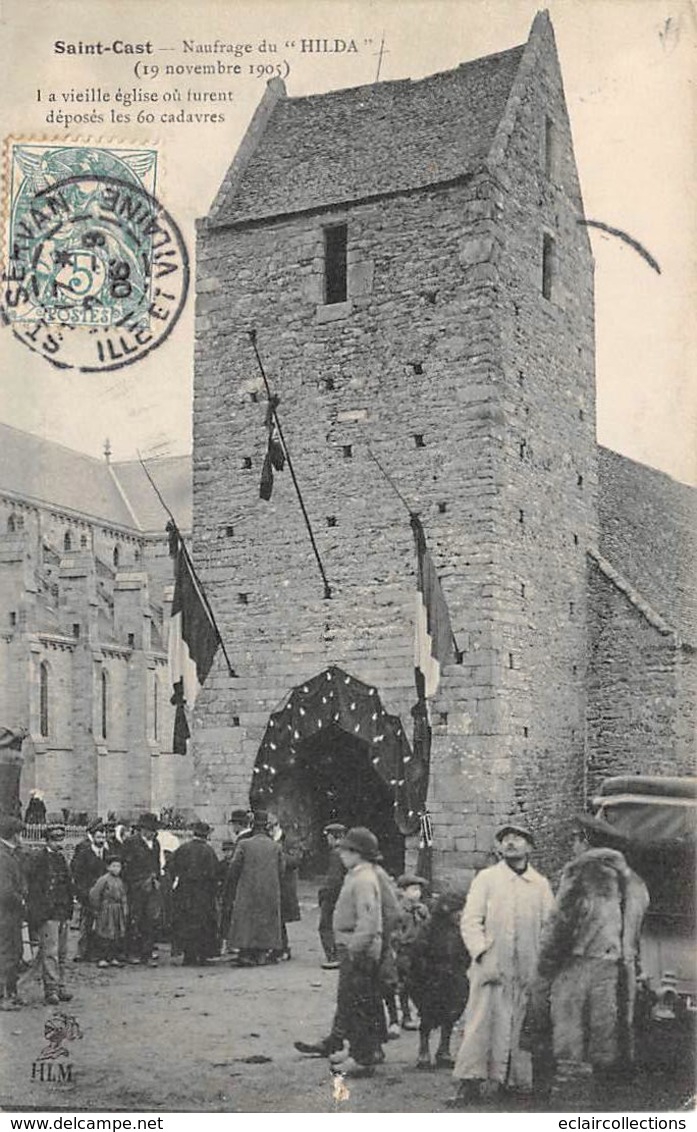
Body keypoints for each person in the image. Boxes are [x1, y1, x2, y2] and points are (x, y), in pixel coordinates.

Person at [535, 815, 650, 1099]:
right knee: (610, 1035)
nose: (571, 845)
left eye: (574, 838)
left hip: (579, 967)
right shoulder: (634, 880)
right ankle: (606, 1099)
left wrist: (545, 966)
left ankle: (567, 1102)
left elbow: (560, 924)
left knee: (568, 1037)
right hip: (619, 968)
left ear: (585, 841)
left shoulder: (581, 874)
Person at [448, 822, 554, 1107]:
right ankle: (469, 1083)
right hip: (491, 966)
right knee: (481, 1023)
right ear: (498, 847)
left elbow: (549, 926)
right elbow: (471, 920)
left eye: (518, 839)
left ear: (529, 847)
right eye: (505, 839)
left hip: (526, 969)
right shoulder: (487, 879)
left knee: (520, 1024)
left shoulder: (540, 885)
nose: (511, 843)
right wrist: (481, 952)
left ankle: (512, 1081)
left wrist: (542, 964)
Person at [408, 888, 470, 1069]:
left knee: (451, 1014)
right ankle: (424, 1050)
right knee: (428, 1015)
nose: (460, 915)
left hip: (454, 976)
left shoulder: (461, 930)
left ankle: (444, 1049)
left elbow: (467, 952)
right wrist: (425, 972)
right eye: (457, 911)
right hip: (432, 978)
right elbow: (418, 952)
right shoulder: (430, 927)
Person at [222, 809, 283, 966]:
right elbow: (281, 869)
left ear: (253, 827)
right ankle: (262, 953)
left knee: (246, 920)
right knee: (265, 919)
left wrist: (230, 886)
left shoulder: (244, 844)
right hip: (269, 889)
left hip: (247, 889)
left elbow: (234, 868)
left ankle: (246, 953)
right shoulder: (275, 846)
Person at [26, 822, 75, 1006]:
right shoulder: (39, 859)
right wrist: (40, 912)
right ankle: (51, 990)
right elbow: (34, 888)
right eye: (55, 839)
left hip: (63, 911)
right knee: (50, 952)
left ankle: (61, 986)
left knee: (62, 952)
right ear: (47, 840)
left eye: (61, 839)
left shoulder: (62, 859)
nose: (58, 842)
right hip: (49, 913)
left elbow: (68, 885)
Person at [169, 821, 220, 965]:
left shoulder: (183, 849)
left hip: (185, 892)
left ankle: (188, 955)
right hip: (203, 893)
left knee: (186, 922)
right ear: (206, 835)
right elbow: (214, 873)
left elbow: (171, 867)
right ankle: (202, 955)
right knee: (203, 923)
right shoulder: (208, 851)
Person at [120, 812, 162, 966]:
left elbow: (156, 863)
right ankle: (132, 952)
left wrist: (156, 878)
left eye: (154, 830)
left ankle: (147, 952)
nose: (152, 833)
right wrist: (133, 882)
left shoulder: (156, 844)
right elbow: (125, 865)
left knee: (150, 920)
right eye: (150, 830)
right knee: (134, 919)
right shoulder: (131, 843)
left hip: (151, 887)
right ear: (143, 829)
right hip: (135, 887)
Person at [392, 874, 431, 1031]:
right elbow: (394, 933)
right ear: (402, 891)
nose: (417, 893)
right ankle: (406, 1015)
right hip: (404, 951)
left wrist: (425, 916)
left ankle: (422, 1013)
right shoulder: (398, 910)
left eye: (419, 890)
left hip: (420, 951)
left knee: (421, 981)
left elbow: (429, 927)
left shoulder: (422, 909)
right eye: (413, 890)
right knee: (404, 984)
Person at [70, 819, 107, 962]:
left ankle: (96, 952)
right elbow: (78, 873)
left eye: (103, 837)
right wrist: (83, 892)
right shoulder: (85, 853)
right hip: (87, 893)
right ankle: (81, 952)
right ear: (93, 837)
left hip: (102, 894)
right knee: (86, 923)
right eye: (98, 837)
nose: (101, 840)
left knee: (100, 924)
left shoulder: (107, 853)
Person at [0, 815, 27, 1010]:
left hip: (11, 914)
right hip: (5, 914)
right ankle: (3, 997)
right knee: (6, 953)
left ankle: (12, 991)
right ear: (14, 835)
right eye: (20, 833)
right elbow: (5, 891)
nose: (22, 838)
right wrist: (23, 901)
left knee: (15, 951)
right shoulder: (3, 857)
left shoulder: (11, 854)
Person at [269, 814, 301, 961]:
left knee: (280, 917)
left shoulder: (290, 840)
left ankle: (282, 948)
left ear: (277, 826)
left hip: (285, 885)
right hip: (271, 883)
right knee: (273, 917)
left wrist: (277, 854)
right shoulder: (269, 841)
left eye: (271, 827)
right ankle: (276, 947)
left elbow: (295, 860)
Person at [89, 855, 128, 967]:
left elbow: (124, 896)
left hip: (117, 909)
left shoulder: (120, 881)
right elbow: (94, 894)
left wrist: (125, 909)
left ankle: (113, 957)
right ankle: (102, 957)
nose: (116, 869)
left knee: (116, 933)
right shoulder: (103, 879)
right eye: (114, 866)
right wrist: (97, 909)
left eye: (118, 866)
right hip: (106, 909)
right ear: (108, 867)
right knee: (104, 933)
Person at [317, 822, 346, 969]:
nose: (327, 840)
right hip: (344, 894)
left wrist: (324, 894)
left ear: (333, 837)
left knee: (325, 926)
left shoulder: (336, 853)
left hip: (333, 895)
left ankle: (333, 956)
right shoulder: (348, 851)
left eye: (328, 836)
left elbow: (334, 879)